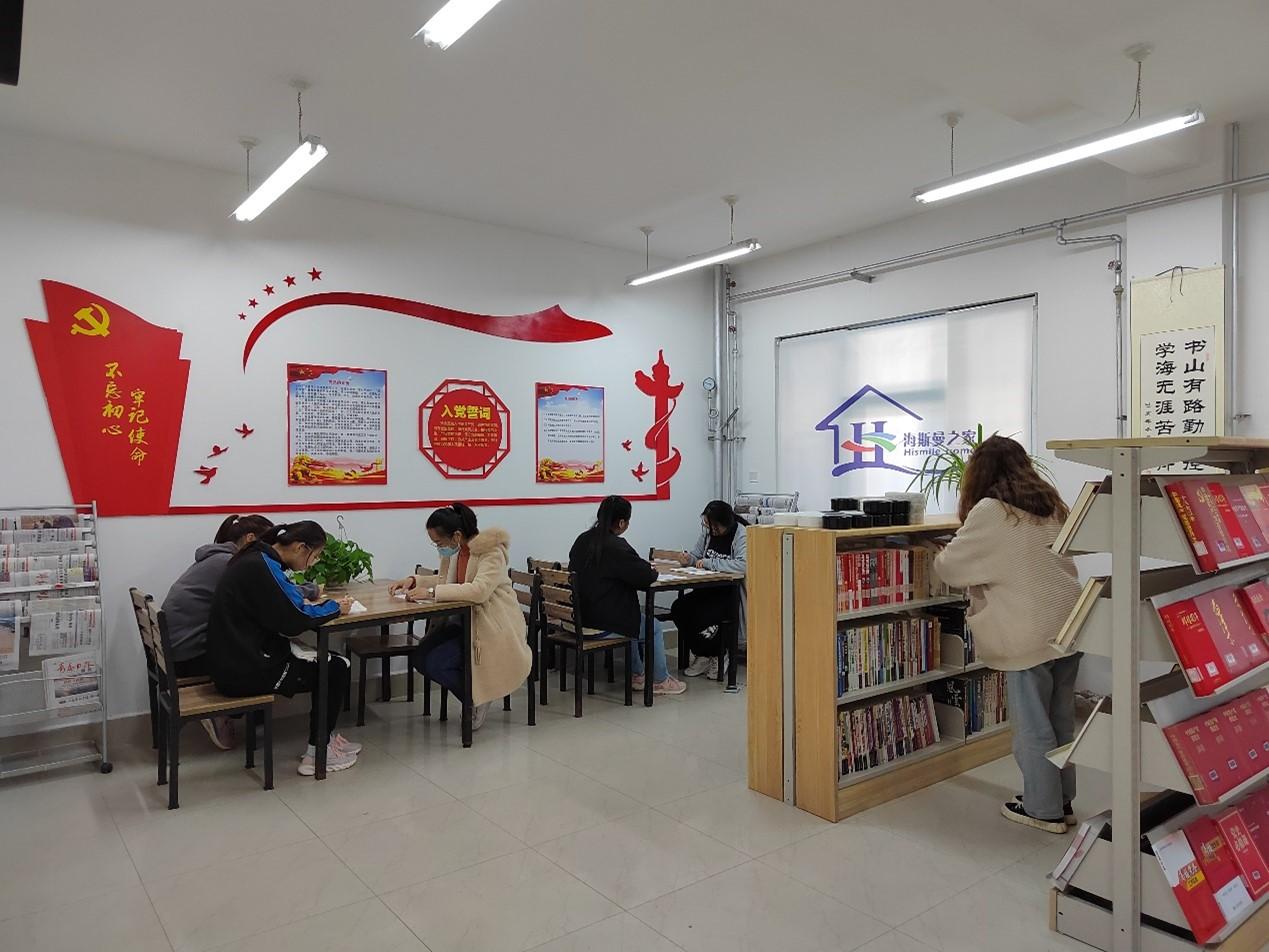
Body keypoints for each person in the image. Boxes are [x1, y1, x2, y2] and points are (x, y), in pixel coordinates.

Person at [932, 436, 1082, 834]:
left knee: (1033, 726)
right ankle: (1062, 800)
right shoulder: (1052, 505)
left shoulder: (991, 511)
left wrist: (942, 551)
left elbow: (950, 568)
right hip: (1071, 623)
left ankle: (1043, 810)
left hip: (1028, 632)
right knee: (1061, 721)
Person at [207, 520, 361, 776]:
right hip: (245, 669)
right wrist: (335, 608)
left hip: (234, 659)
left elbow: (283, 606)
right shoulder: (263, 566)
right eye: (315, 556)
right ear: (301, 548)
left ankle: (327, 738)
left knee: (329, 660)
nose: (313, 563)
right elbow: (295, 620)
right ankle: (318, 753)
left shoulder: (257, 558)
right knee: (336, 667)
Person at [389, 503, 532, 731]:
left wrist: (431, 593)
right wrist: (413, 581)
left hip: (492, 627)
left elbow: (478, 590)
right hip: (463, 623)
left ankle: (478, 697)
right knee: (421, 657)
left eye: (439, 542)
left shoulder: (491, 553)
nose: (439, 548)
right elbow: (445, 580)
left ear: (456, 535)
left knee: (436, 663)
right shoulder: (456, 552)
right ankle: (475, 695)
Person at [162, 514, 275, 750]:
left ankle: (245, 721)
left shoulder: (216, 559)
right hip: (189, 657)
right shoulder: (230, 564)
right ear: (250, 539)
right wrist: (309, 590)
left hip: (173, 651)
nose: (269, 553)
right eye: (267, 545)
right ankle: (230, 717)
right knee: (264, 657)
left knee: (254, 642)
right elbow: (268, 595)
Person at [568, 496, 686, 696]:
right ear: (621, 523)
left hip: (578, 617)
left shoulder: (582, 539)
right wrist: (650, 570)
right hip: (601, 622)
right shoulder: (616, 546)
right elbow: (646, 576)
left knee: (631, 619)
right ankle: (660, 680)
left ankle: (638, 675)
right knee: (653, 627)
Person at [671, 500, 748, 679]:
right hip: (705, 589)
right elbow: (697, 556)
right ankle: (703, 654)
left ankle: (719, 653)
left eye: (713, 526)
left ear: (725, 522)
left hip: (728, 593)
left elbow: (742, 565)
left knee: (703, 616)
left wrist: (710, 563)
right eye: (707, 524)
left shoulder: (741, 534)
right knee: (679, 609)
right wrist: (688, 559)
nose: (710, 529)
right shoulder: (707, 533)